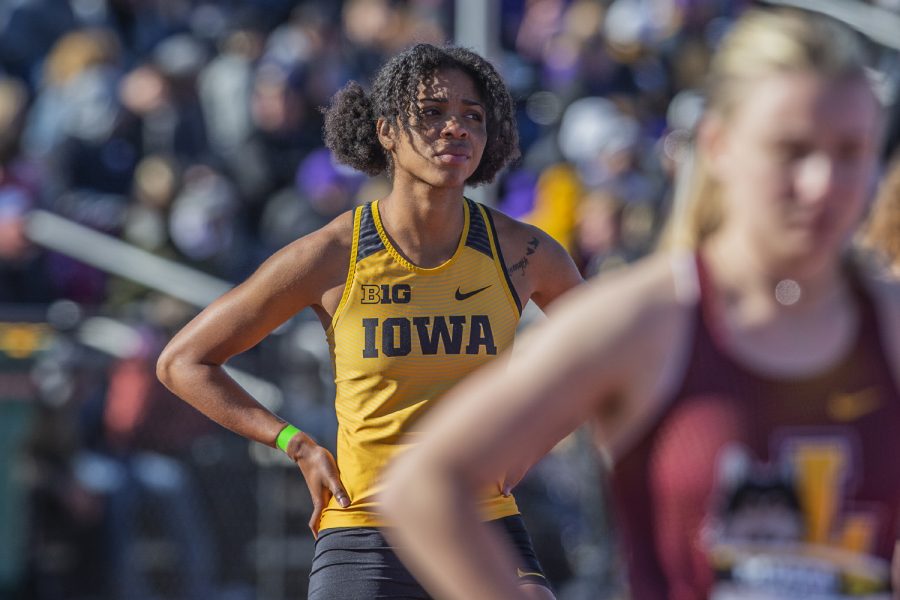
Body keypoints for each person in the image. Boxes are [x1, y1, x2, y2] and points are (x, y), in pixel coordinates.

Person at [380, 9, 900, 600]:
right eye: (792, 149)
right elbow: (424, 485)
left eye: (852, 152)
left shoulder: (890, 325)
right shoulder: (645, 319)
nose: (823, 183)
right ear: (720, 145)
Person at [156, 42, 582, 599]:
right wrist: (295, 443)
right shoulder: (332, 253)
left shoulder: (524, 252)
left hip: (480, 521)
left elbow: (601, 362)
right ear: (385, 131)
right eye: (432, 113)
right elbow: (183, 362)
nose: (455, 128)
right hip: (364, 530)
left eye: (472, 116)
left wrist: (523, 449)